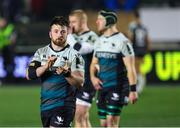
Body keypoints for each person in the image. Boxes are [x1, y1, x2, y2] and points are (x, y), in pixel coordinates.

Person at [26, 16, 85, 127]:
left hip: (64, 105)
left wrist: (67, 74)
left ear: (67, 33)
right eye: (56, 31)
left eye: (63, 31)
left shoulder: (74, 55)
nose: (59, 34)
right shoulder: (41, 52)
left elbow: (80, 83)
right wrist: (45, 67)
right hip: (45, 106)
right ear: (50, 34)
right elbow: (29, 74)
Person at [90, 10, 138, 127]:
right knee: (104, 123)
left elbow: (131, 68)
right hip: (102, 87)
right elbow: (93, 63)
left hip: (118, 87)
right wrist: (93, 78)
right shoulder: (99, 41)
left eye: (100, 19)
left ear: (109, 22)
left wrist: (133, 90)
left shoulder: (123, 42)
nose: (97, 22)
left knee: (111, 121)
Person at [68, 9, 98, 127]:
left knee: (79, 115)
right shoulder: (72, 37)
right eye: (69, 22)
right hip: (74, 81)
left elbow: (80, 48)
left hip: (87, 82)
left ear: (82, 22)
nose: (70, 25)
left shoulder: (92, 37)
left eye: (73, 22)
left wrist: (69, 36)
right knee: (83, 118)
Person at [127, 10, 151, 93]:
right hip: (142, 50)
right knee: (138, 69)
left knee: (136, 69)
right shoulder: (144, 27)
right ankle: (138, 86)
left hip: (136, 49)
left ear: (134, 17)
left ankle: (139, 87)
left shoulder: (133, 26)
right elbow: (148, 40)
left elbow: (130, 38)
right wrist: (147, 50)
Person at [0, 17, 17, 81]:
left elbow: (13, 38)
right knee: (5, 64)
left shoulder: (10, 28)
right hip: (2, 49)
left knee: (10, 63)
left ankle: (11, 78)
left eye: (2, 22)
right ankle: (7, 77)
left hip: (9, 49)